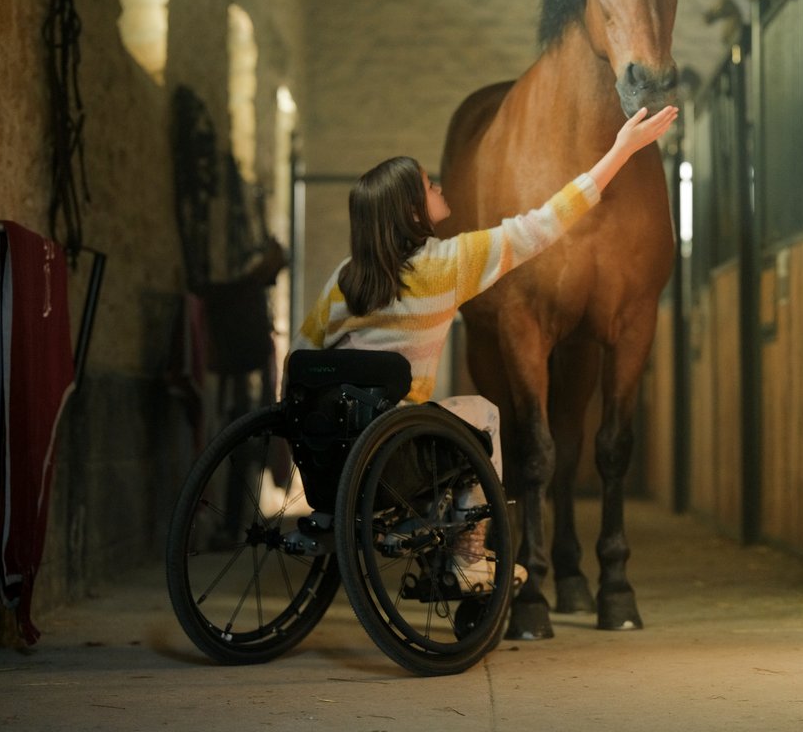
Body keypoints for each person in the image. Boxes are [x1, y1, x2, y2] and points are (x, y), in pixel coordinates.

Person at [289, 103, 679, 591]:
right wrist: (621, 150)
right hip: (400, 452)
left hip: (336, 454)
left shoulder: (344, 279)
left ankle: (334, 517)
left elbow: (301, 357)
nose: (440, 187)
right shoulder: (449, 265)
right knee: (482, 414)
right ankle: (468, 555)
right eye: (429, 185)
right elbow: (545, 223)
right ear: (413, 212)